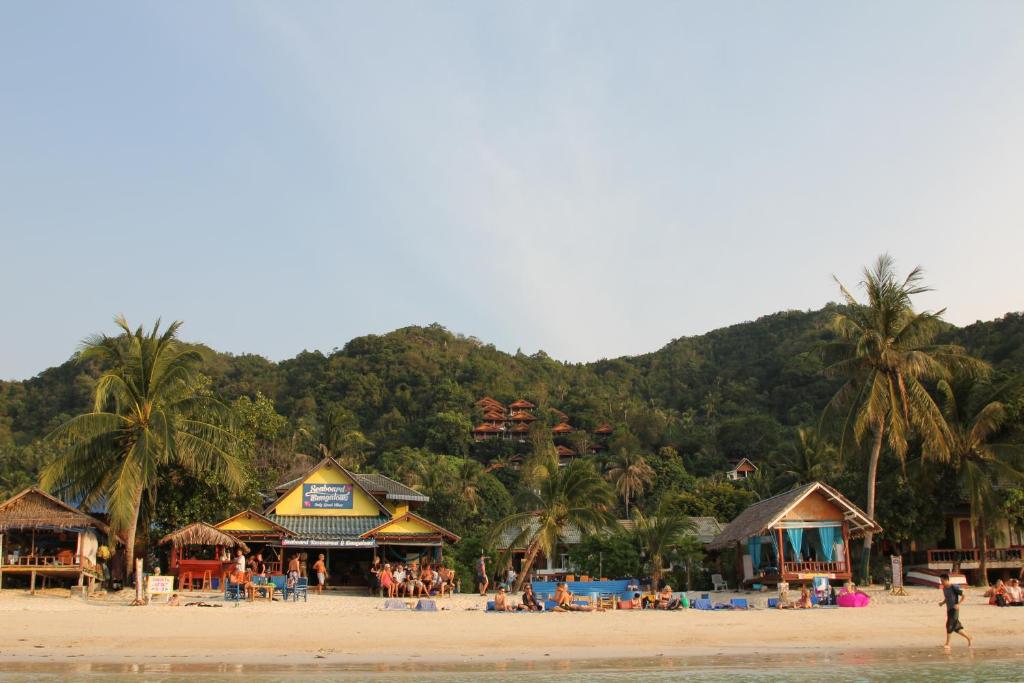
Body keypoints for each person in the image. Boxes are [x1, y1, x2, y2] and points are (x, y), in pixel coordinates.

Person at [939, 572, 973, 650]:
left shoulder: (953, 587)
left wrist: (958, 604)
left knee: (949, 625)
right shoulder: (944, 589)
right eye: (941, 581)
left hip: (954, 610)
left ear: (946, 580)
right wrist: (942, 603)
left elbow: (964, 596)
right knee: (956, 627)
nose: (941, 582)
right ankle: (969, 638)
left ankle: (947, 644)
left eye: (942, 581)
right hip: (949, 610)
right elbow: (947, 598)